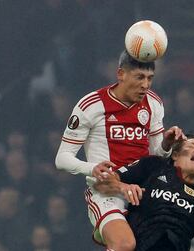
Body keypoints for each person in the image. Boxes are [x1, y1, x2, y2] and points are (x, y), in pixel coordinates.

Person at [55, 50, 185, 251]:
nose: (146, 85)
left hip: (143, 192)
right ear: (121, 74)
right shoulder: (92, 105)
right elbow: (62, 159)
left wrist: (167, 145)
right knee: (124, 244)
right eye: (139, 77)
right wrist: (93, 169)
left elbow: (156, 158)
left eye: (150, 78)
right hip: (107, 192)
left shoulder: (153, 102)